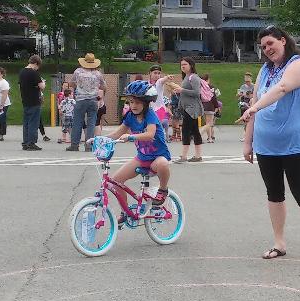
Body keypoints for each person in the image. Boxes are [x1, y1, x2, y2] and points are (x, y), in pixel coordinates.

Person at [238, 26, 300, 262]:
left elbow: (282, 89)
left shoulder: (298, 64)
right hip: (266, 144)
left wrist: (255, 107)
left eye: (270, 43)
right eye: (263, 47)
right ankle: (279, 242)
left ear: (283, 40)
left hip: (296, 142)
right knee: (274, 193)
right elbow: (255, 103)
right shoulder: (265, 70)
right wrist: (248, 142)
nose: (267, 49)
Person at [107, 80, 172, 214]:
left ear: (145, 103)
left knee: (163, 164)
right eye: (131, 102)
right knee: (115, 181)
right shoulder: (130, 116)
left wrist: (131, 137)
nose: (133, 105)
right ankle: (126, 213)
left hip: (157, 158)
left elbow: (150, 134)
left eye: (137, 102)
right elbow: (118, 133)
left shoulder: (150, 115)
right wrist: (98, 139)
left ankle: (163, 189)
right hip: (142, 158)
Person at [67, 52, 106, 152]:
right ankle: (89, 146)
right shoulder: (98, 74)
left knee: (77, 123)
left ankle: (74, 145)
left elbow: (71, 83)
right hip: (93, 100)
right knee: (91, 123)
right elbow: (104, 86)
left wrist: (79, 85)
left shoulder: (78, 72)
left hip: (80, 100)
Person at [172, 57, 204, 162]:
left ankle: (184, 156)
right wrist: (179, 91)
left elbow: (197, 92)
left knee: (185, 131)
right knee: (195, 131)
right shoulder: (186, 77)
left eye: (185, 64)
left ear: (191, 65)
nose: (183, 66)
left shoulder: (194, 77)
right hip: (187, 108)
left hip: (192, 109)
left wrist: (182, 90)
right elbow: (186, 93)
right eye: (181, 65)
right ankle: (198, 156)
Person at [19, 54, 45, 151]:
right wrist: (43, 82)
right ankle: (31, 143)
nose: (37, 68)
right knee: (33, 122)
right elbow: (42, 86)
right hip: (34, 100)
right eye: (37, 66)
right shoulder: (34, 73)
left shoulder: (22, 72)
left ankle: (25, 142)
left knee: (26, 122)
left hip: (25, 100)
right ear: (35, 63)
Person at [199, 73, 219, 143]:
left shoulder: (199, 87)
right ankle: (199, 134)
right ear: (208, 79)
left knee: (207, 123)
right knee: (209, 123)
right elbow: (213, 97)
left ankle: (209, 138)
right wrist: (217, 106)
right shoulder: (210, 87)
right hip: (210, 106)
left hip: (202, 106)